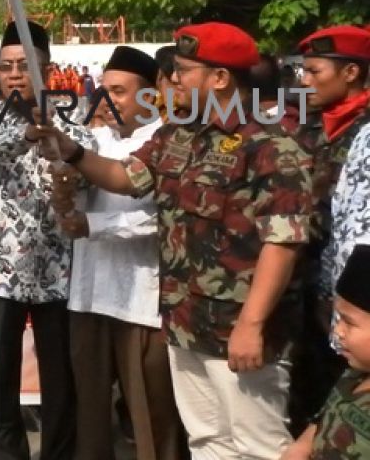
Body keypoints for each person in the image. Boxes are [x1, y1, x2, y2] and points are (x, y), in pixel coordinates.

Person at [32, 23, 314, 460]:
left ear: (219, 78)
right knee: (207, 443)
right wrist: (71, 151)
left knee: (258, 447)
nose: (173, 80)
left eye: (183, 70)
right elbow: (126, 178)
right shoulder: (177, 135)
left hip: (238, 330)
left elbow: (284, 243)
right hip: (185, 324)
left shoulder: (272, 146)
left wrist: (252, 325)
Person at [0, 21, 90, 460]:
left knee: (61, 380)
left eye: (25, 66)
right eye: (6, 65)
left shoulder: (70, 113)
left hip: (57, 268)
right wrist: (33, 132)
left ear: (46, 69)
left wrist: (65, 157)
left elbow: (84, 161)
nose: (13, 74)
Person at [56, 47, 183, 460]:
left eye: (119, 92)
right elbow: (71, 205)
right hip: (89, 295)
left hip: (140, 299)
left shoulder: (168, 142)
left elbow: (161, 222)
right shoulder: (93, 140)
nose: (106, 102)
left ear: (149, 96)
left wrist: (93, 226)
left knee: (150, 414)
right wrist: (62, 196)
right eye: (103, 92)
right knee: (90, 414)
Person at [293, 27, 370, 431]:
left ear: (352, 72)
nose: (303, 81)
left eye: (313, 71)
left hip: (355, 304)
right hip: (304, 294)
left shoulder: (365, 133)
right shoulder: (305, 127)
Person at [282, 244, 370, 458]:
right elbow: (319, 427)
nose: (337, 331)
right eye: (338, 319)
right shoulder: (353, 374)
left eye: (349, 322)